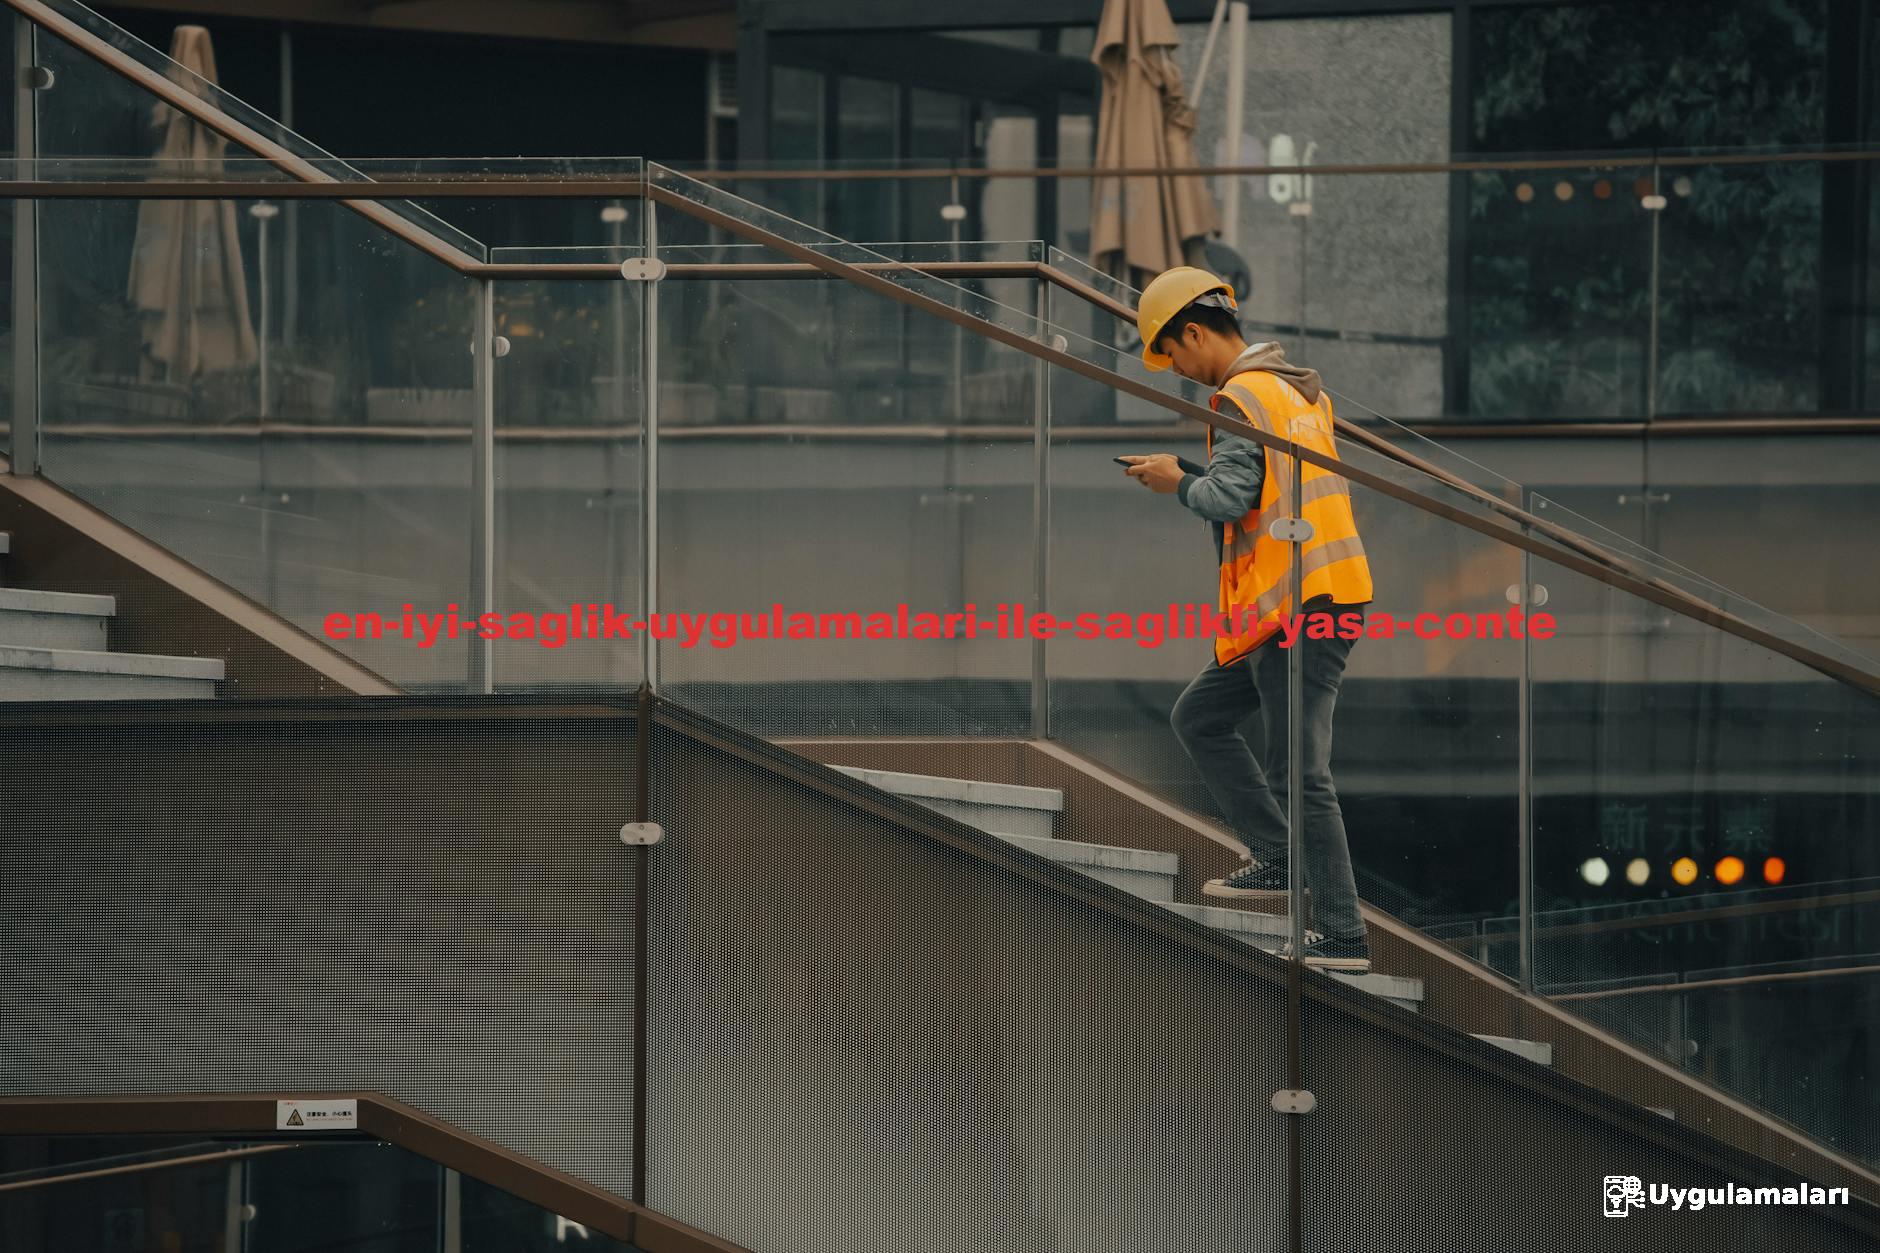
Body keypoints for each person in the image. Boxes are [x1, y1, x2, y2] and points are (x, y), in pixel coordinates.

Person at [1117, 266, 1375, 973]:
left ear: (1194, 332)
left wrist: (1175, 482)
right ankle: (1276, 853)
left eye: (1173, 354)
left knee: (1302, 773)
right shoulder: (1292, 390)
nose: (1178, 370)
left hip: (1298, 607)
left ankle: (1344, 933)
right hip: (1308, 599)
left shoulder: (1238, 398)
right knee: (1199, 715)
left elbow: (1230, 496)